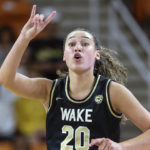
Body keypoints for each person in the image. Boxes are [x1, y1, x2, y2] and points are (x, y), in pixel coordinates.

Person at [0, 5, 150, 150]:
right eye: (71, 44)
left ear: (97, 54)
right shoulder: (50, 89)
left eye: (85, 43)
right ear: (64, 56)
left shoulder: (112, 91)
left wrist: (121, 146)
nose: (77, 47)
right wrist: (23, 39)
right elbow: (6, 79)